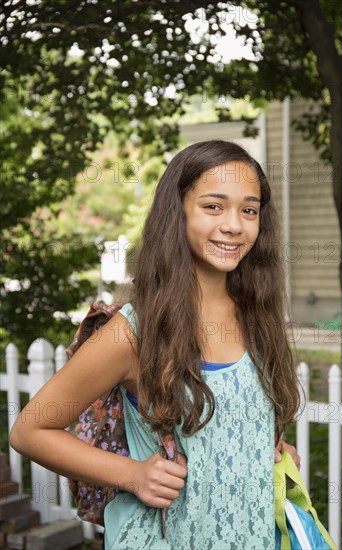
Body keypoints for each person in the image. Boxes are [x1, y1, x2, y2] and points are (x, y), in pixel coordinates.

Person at [11, 140, 300, 549]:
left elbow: (227, 424)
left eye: (249, 210)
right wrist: (132, 474)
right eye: (213, 206)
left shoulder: (257, 315)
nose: (235, 224)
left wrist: (263, 446)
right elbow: (29, 430)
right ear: (177, 212)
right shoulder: (135, 330)